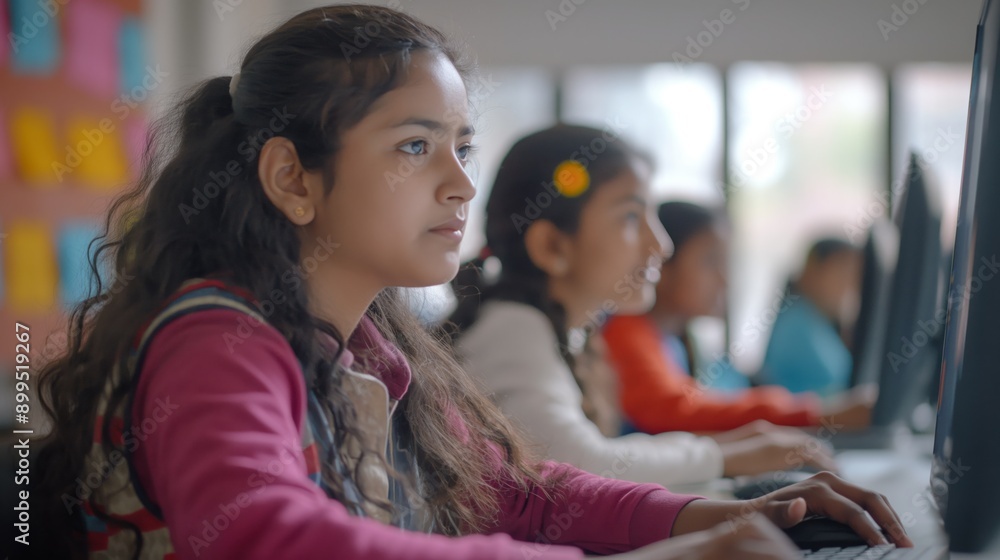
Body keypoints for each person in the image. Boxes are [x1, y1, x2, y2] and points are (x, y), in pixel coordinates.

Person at [30, 7, 909, 560]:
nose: (458, 183)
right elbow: (273, 538)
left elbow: (518, 492)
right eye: (415, 147)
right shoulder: (215, 346)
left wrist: (701, 521)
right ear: (293, 179)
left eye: (463, 148)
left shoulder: (370, 345)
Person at [451, 125, 846, 490]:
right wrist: (725, 455)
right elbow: (577, 465)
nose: (661, 245)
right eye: (629, 217)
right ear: (552, 246)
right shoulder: (511, 329)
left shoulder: (564, 331)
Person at [603, 202, 873, 435]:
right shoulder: (627, 330)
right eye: (711, 261)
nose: (724, 280)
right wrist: (818, 414)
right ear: (661, 265)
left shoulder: (675, 341)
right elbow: (674, 411)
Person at [760, 238, 864, 396]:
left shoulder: (818, 323)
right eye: (842, 273)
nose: (848, 285)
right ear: (811, 271)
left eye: (855, 277)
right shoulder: (796, 327)